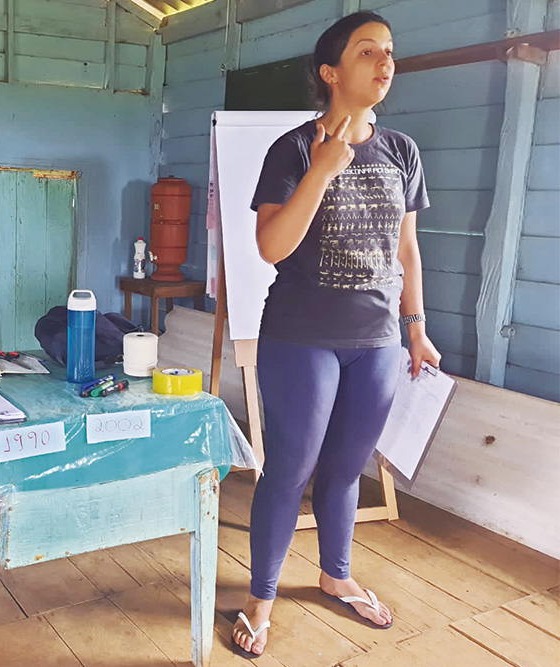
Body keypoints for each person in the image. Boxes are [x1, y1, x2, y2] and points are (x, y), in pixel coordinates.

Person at [231, 11, 441, 658]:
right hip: (302, 336)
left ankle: (335, 572)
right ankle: (260, 597)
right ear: (331, 71)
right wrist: (323, 168)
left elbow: (407, 250)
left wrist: (417, 328)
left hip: (377, 339)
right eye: (367, 51)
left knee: (348, 468)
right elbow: (270, 245)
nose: (385, 63)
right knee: (290, 468)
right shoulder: (293, 150)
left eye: (390, 52)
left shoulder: (402, 151)